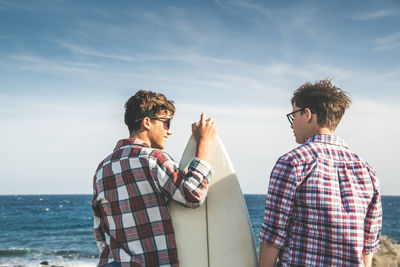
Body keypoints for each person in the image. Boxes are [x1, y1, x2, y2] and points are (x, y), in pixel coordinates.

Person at [258, 80, 382, 267]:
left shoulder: (292, 163)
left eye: (293, 116)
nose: (292, 125)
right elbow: (368, 247)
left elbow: (272, 238)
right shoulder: (367, 171)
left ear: (307, 114)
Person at [92, 90, 217, 267]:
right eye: (166, 123)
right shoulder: (154, 159)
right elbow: (193, 195)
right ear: (147, 122)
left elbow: (99, 229)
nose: (169, 131)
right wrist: (204, 145)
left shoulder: (102, 168)